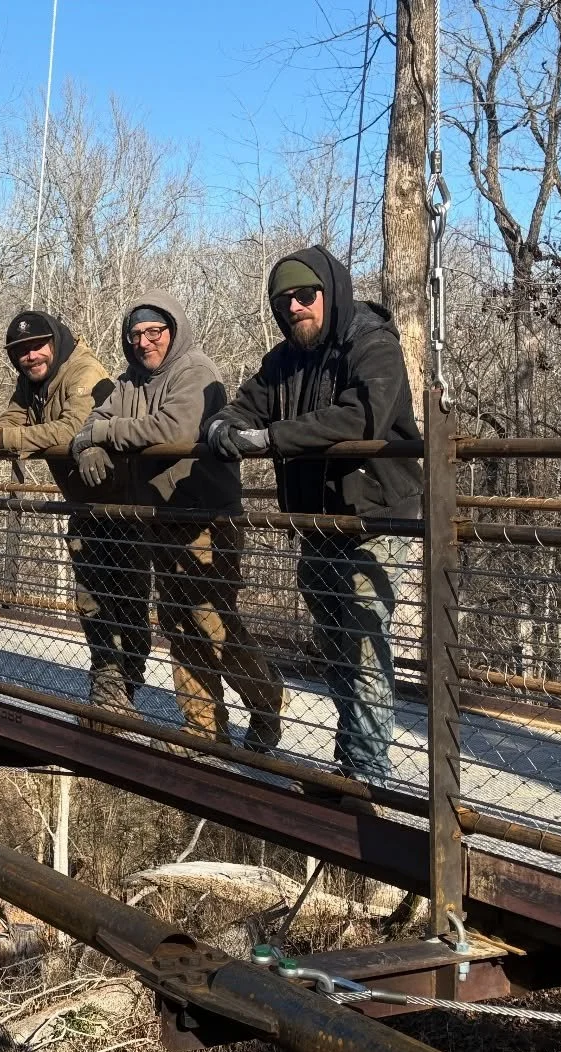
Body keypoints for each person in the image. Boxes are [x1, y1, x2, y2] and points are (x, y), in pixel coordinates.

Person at [206, 245, 422, 785]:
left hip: (374, 517)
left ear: (331, 293)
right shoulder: (283, 360)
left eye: (306, 296)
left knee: (363, 641)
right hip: (316, 521)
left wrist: (270, 438)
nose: (295, 307)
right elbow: (242, 406)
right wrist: (222, 428)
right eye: (284, 301)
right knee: (335, 643)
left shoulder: (373, 344)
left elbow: (363, 417)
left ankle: (365, 776)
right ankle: (350, 765)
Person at [70, 292, 285, 750]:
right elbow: (89, 425)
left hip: (207, 517)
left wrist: (105, 433)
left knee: (212, 622)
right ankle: (205, 731)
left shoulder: (195, 371)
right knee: (177, 623)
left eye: (154, 331)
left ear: (173, 330)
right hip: (159, 518)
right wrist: (88, 446)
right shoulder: (129, 383)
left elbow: (175, 429)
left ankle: (266, 701)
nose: (144, 342)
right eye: (135, 334)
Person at [0, 310, 148, 713]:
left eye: (37, 346)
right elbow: (15, 417)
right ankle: (108, 688)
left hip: (125, 505)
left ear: (56, 342)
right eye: (21, 351)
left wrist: (4, 438)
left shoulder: (84, 371)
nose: (31, 356)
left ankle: (128, 683)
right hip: (85, 505)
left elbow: (74, 429)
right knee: (90, 599)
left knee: (128, 600)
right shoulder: (32, 380)